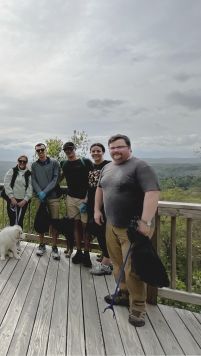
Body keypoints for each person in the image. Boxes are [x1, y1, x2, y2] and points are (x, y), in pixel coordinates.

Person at [95, 134, 160, 327]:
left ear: (129, 148)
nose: (116, 151)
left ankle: (138, 307)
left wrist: (145, 221)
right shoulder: (107, 167)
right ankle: (123, 293)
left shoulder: (141, 167)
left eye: (119, 147)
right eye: (112, 148)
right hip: (112, 225)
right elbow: (100, 189)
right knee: (117, 263)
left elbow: (152, 193)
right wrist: (97, 210)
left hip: (133, 228)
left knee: (133, 269)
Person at [60, 141, 94, 265]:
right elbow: (61, 176)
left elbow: (93, 182)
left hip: (84, 199)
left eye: (70, 148)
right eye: (66, 150)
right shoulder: (64, 163)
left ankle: (86, 254)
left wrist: (87, 200)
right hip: (71, 198)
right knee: (75, 225)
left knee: (85, 226)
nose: (69, 151)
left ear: (75, 148)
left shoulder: (86, 162)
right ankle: (78, 252)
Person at [31, 143, 61, 260]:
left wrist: (45, 191)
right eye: (38, 150)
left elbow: (56, 178)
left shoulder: (54, 163)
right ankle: (42, 244)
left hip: (53, 197)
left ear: (46, 150)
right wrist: (40, 192)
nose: (40, 152)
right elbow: (33, 179)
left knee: (55, 222)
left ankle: (54, 246)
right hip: (40, 197)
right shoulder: (34, 165)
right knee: (40, 221)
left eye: (42, 150)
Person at [87, 143, 112, 275]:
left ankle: (106, 264)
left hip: (104, 205)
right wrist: (86, 201)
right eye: (93, 151)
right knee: (98, 231)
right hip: (92, 204)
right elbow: (90, 187)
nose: (95, 153)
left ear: (103, 152)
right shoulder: (92, 166)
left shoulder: (109, 165)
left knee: (102, 233)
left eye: (98, 151)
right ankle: (109, 259)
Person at [2, 155, 32, 227]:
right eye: (20, 161)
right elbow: (7, 183)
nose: (22, 162)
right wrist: (11, 197)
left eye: (24, 161)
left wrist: (25, 200)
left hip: (23, 201)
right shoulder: (12, 171)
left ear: (26, 163)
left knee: (20, 220)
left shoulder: (29, 174)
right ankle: (12, 237)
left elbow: (30, 187)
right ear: (18, 161)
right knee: (12, 220)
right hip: (12, 200)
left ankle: (18, 237)